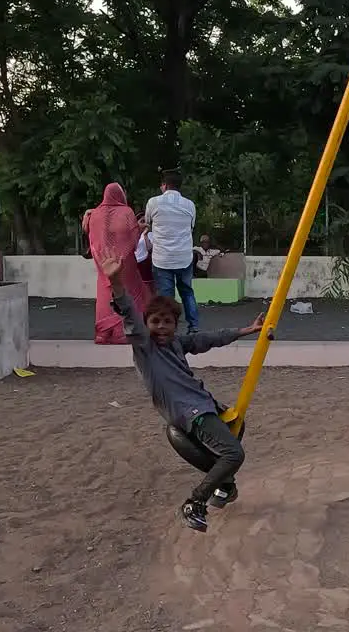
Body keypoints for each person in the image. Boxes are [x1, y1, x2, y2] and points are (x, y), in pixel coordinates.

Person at [98, 253, 264, 533]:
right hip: (190, 413)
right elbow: (129, 313)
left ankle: (225, 488)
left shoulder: (176, 344)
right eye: (155, 322)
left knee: (238, 425)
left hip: (204, 404)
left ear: (175, 326)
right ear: (147, 324)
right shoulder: (145, 347)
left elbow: (209, 339)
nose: (161, 328)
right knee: (233, 455)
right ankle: (195, 502)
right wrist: (116, 282)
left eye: (167, 322)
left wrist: (246, 330)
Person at [84, 183, 152, 345]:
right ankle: (122, 332)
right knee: (129, 291)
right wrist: (140, 228)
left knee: (104, 293)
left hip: (103, 262)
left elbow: (92, 238)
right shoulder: (127, 212)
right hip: (124, 262)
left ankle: (103, 333)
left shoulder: (95, 214)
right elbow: (134, 241)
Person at [145, 171, 200, 332]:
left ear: (165, 185)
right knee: (187, 292)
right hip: (184, 257)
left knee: (166, 297)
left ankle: (168, 329)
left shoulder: (153, 202)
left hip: (162, 259)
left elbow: (148, 222)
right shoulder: (189, 204)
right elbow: (191, 226)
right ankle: (194, 326)